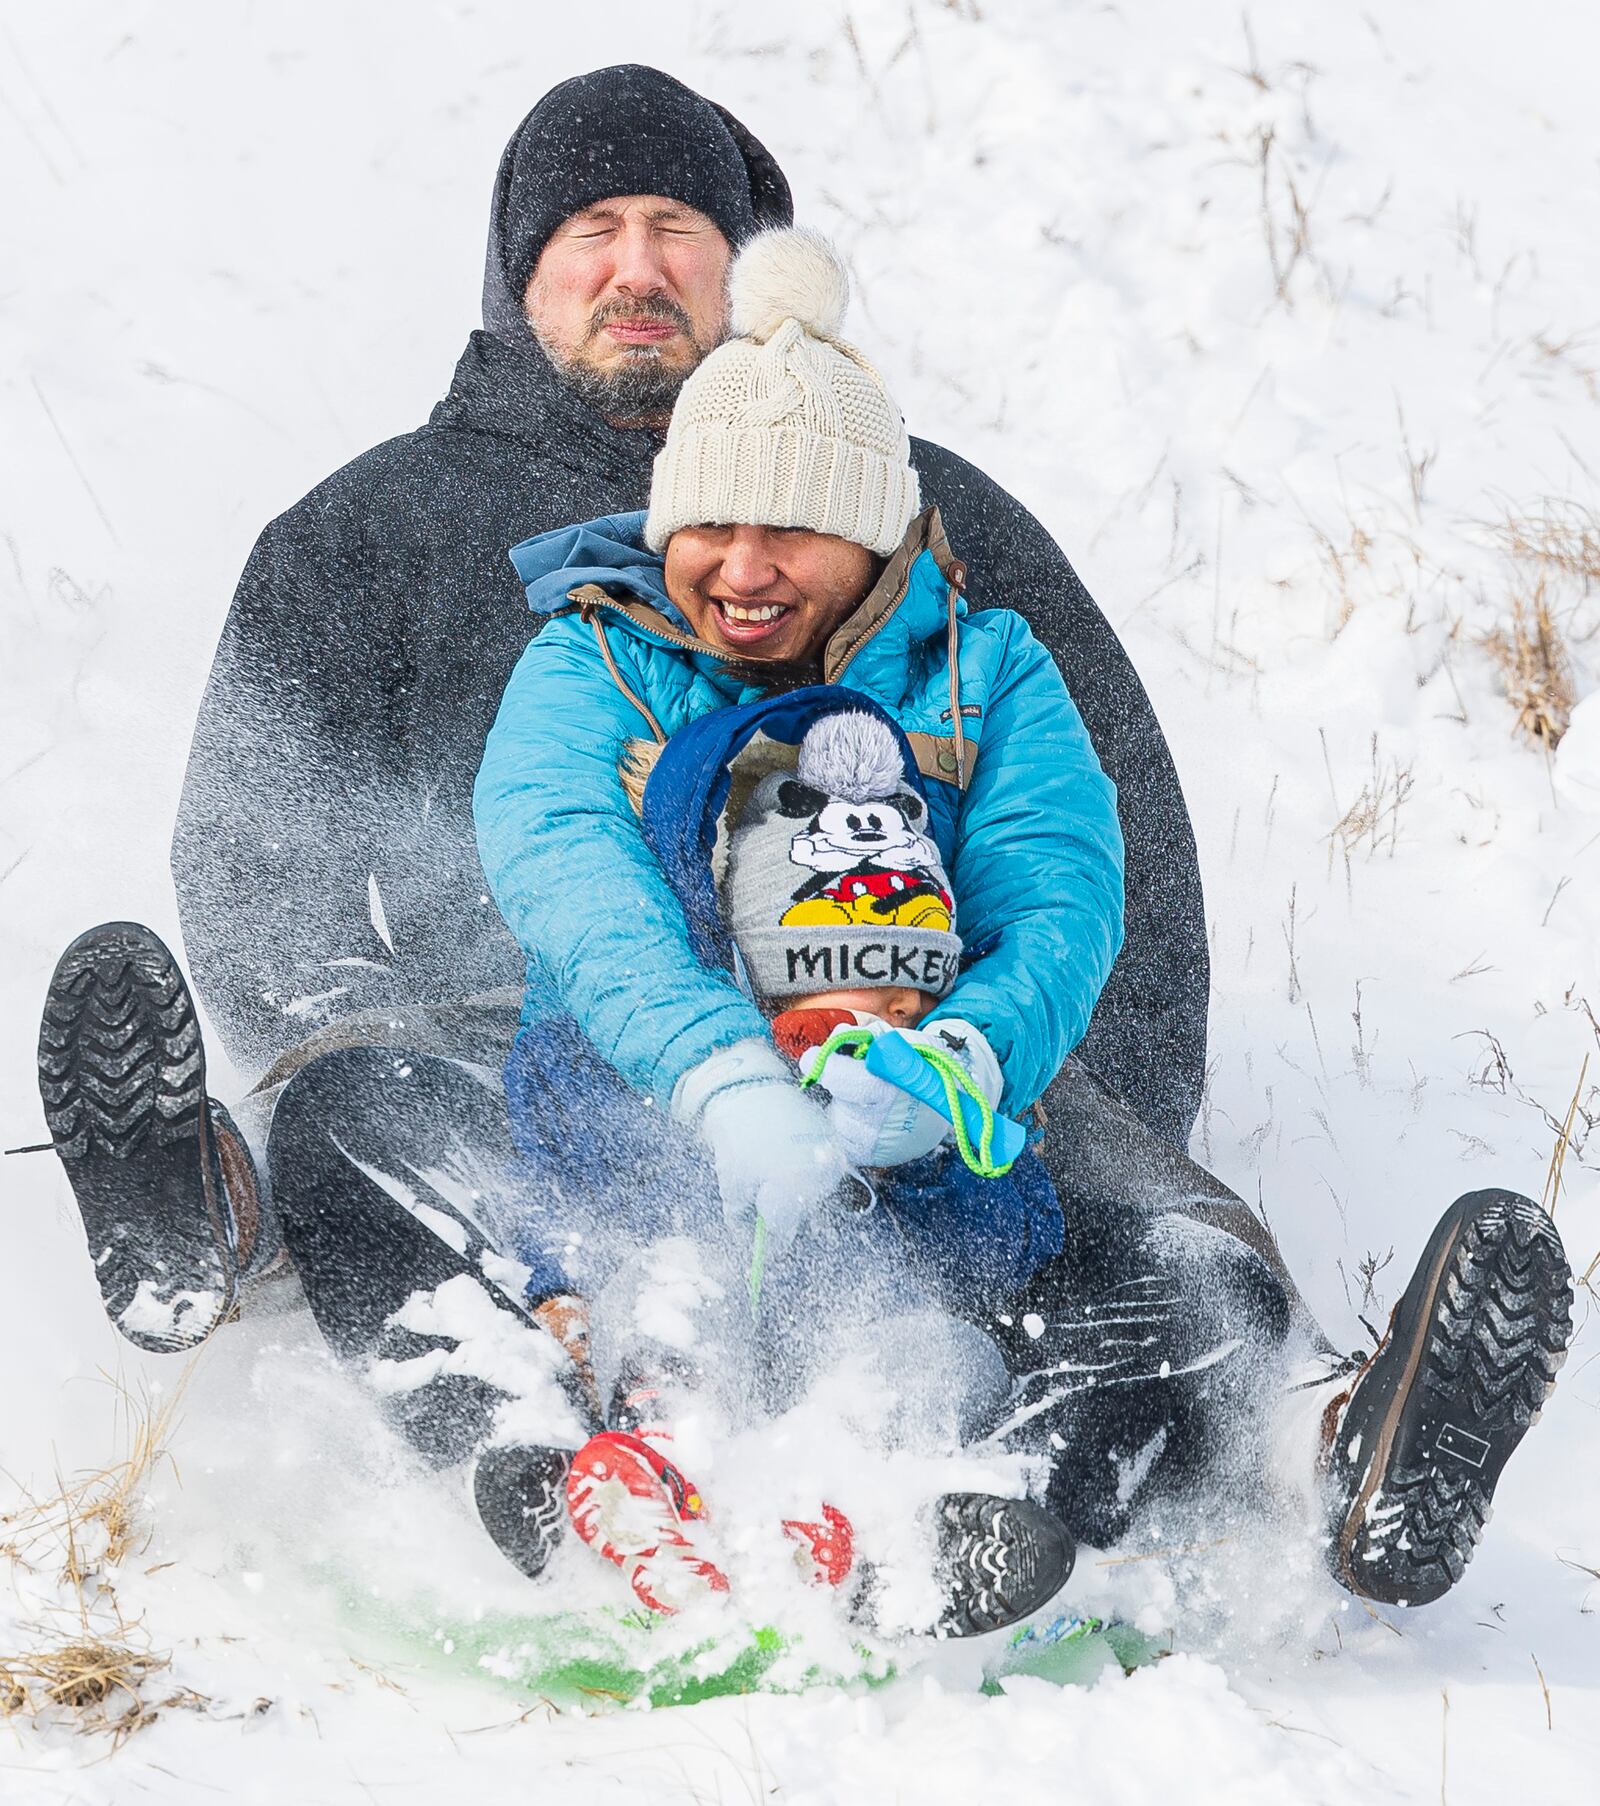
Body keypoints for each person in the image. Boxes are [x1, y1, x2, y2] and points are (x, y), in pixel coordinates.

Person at [465, 229, 1574, 1618]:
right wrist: (715, 1072)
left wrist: (967, 1061)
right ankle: (645, 1479)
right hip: (650, 1119)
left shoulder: (982, 672)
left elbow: (1059, 891)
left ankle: (985, 1500)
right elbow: (570, 878)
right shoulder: (594, 658)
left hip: (915, 1136)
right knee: (654, 1277)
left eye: (788, 527)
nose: (739, 567)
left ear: (871, 532)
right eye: (709, 525)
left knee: (1003, 1309)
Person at [36, 61, 1207, 1371]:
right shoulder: (363, 531)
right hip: (520, 1051)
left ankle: (1315, 1439)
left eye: (677, 231)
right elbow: (257, 857)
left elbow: (1102, 839)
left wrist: (1095, 1079)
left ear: (743, 269)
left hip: (905, 1033)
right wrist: (330, 1031)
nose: (634, 267)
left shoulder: (927, 516)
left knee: (1161, 1230)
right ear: (517, 276)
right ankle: (228, 1214)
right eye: (591, 232)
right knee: (359, 1106)